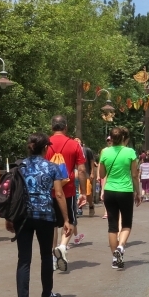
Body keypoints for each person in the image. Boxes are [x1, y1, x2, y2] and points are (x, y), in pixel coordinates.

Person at [6, 132, 71, 297]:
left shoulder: (20, 166)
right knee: (45, 256)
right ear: (45, 148)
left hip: (22, 216)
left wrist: (9, 218)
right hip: (45, 216)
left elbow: (12, 193)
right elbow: (59, 194)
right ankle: (46, 295)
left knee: (24, 259)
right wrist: (66, 219)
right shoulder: (52, 167)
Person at [45, 115, 86, 274]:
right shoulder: (74, 144)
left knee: (52, 225)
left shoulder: (45, 144)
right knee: (71, 220)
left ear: (52, 127)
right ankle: (62, 246)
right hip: (67, 190)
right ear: (66, 127)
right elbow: (81, 170)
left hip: (49, 190)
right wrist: (83, 191)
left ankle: (52, 259)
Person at [98, 126, 140, 270]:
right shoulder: (130, 152)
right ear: (123, 138)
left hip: (109, 190)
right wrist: (138, 192)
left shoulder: (105, 152)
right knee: (126, 223)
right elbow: (134, 175)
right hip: (125, 190)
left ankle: (114, 259)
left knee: (112, 225)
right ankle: (120, 247)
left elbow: (102, 175)